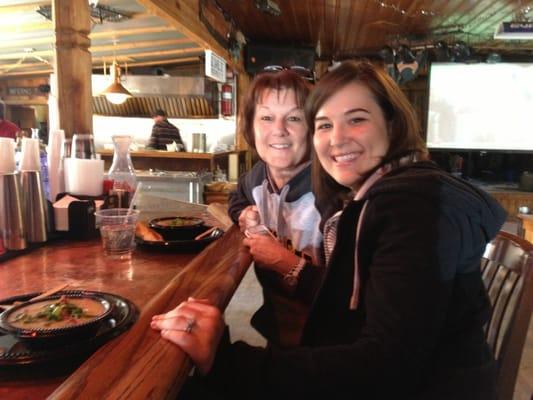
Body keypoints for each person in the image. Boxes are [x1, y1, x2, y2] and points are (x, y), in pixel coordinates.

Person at [151, 61, 506, 399]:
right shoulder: (375, 197)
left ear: (393, 125)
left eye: (356, 120)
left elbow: (386, 367)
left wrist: (227, 362)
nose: (337, 138)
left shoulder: (411, 207)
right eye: (324, 124)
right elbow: (354, 314)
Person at [227, 69, 325, 347]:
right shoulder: (258, 175)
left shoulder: (333, 190)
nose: (278, 129)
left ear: (313, 128)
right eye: (266, 117)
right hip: (279, 328)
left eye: (294, 118)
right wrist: (243, 213)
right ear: (251, 127)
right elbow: (236, 197)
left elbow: (351, 295)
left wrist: (286, 262)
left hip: (328, 344)